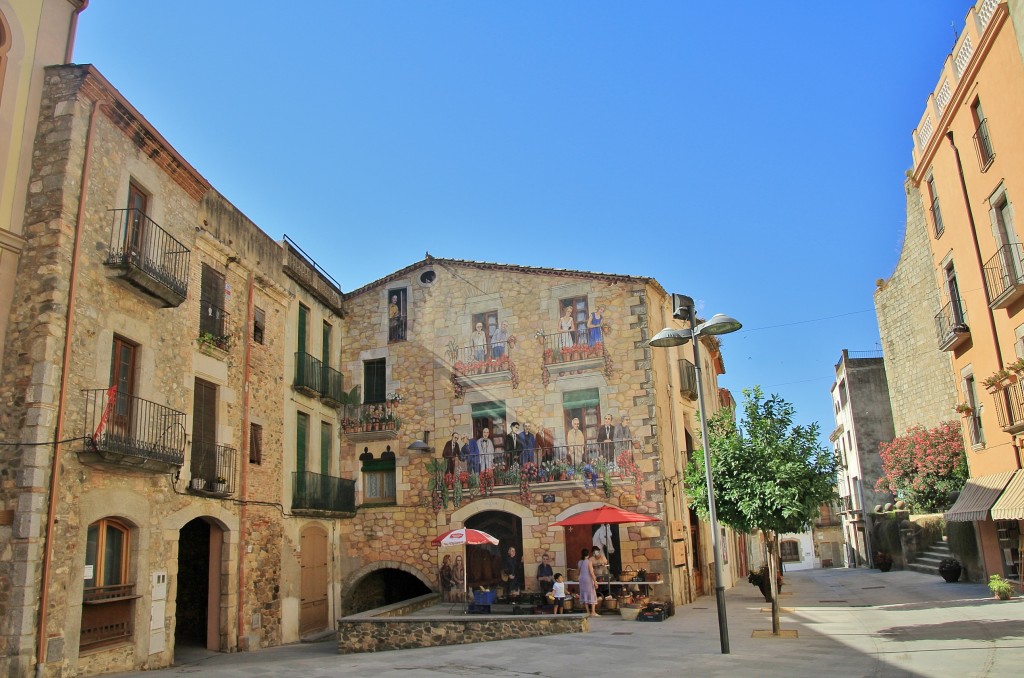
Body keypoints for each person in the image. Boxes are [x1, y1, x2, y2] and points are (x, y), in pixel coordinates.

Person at [577, 547, 599, 617]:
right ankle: (593, 612)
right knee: (592, 594)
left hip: (582, 579)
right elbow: (591, 572)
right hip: (588, 579)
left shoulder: (579, 562)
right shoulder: (589, 562)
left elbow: (578, 571)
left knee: (584, 595)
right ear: (588, 555)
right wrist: (595, 581)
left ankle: (588, 612)